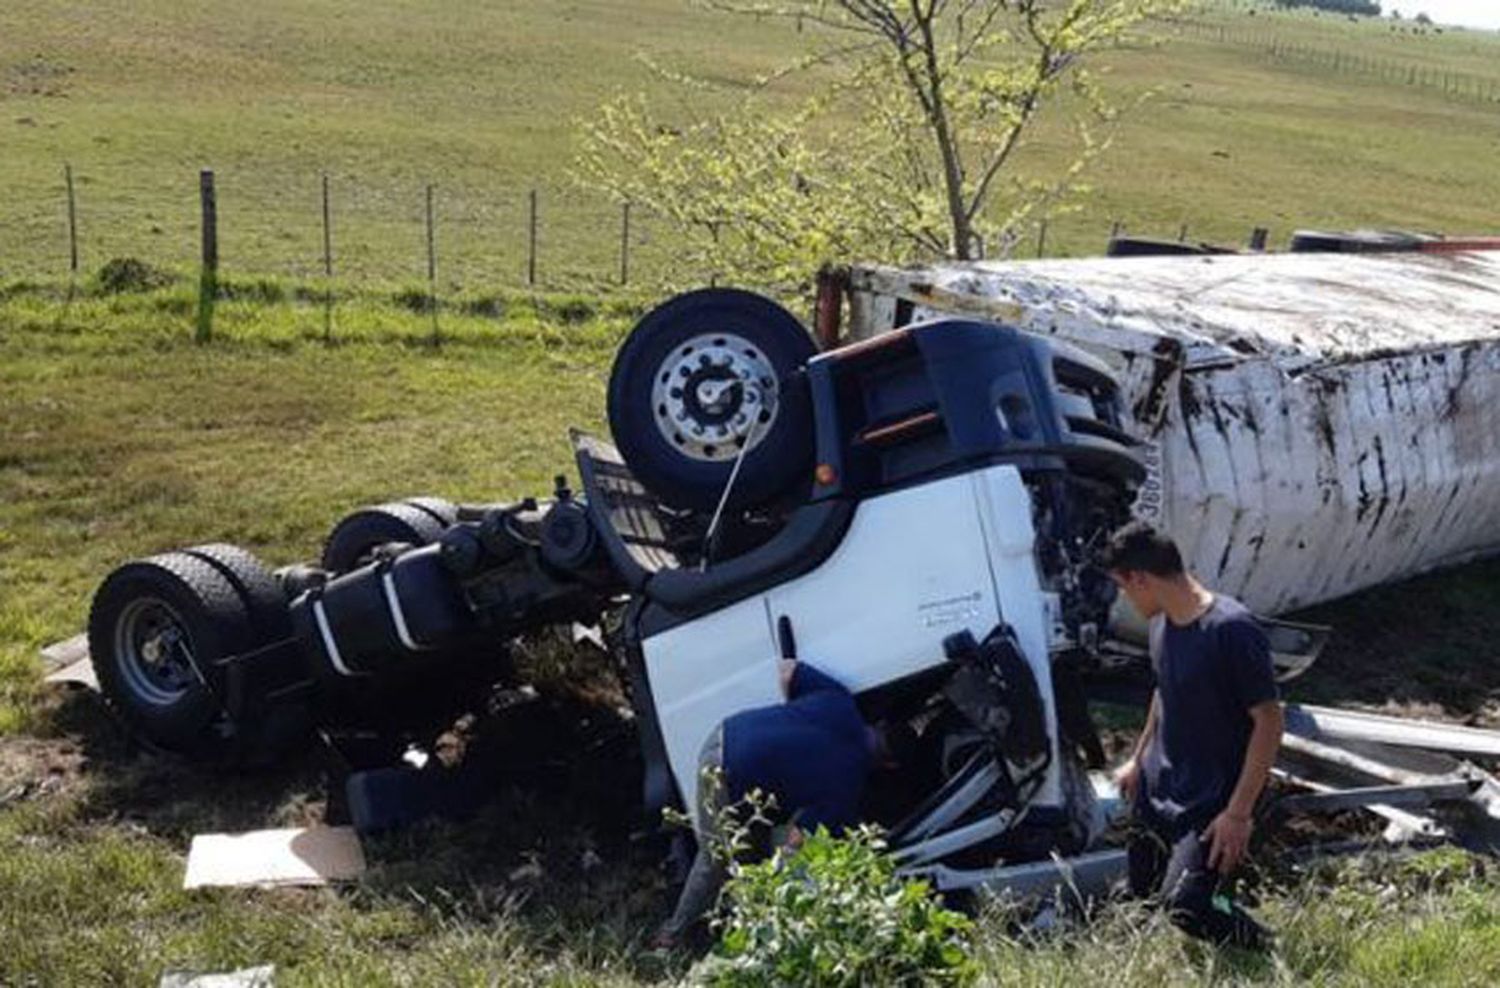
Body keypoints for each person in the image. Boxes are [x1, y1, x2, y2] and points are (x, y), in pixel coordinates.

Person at [1100, 521, 1283, 950]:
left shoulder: (1232, 630)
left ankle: (1267, 948)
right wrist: (1137, 759)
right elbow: (1164, 691)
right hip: (1160, 786)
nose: (1124, 600)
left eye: (1123, 588)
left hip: (1212, 800)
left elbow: (1270, 722)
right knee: (1139, 896)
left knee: (1187, 906)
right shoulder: (1162, 626)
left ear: (1140, 579)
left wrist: (1238, 813)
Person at [653, 657, 897, 949]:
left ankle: (723, 925)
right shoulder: (846, 789)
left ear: (879, 725)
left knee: (749, 846)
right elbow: (795, 840)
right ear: (889, 765)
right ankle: (671, 936)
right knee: (715, 858)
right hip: (726, 775)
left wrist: (791, 725)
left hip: (724, 734)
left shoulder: (841, 702)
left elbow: (788, 669)